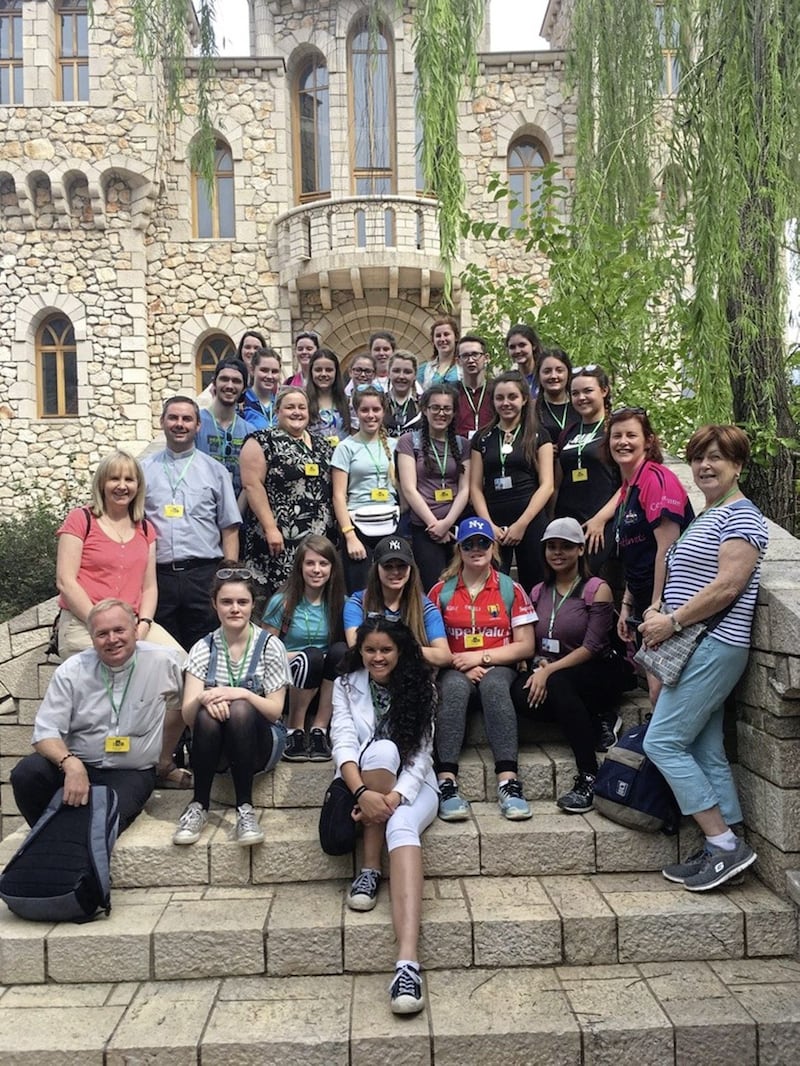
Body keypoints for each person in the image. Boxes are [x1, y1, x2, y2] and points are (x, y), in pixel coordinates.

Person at [639, 425, 768, 891]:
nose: (705, 466)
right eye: (698, 458)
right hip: (695, 645)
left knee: (663, 742)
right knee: (704, 747)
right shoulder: (710, 514)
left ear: (738, 465)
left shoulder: (743, 516)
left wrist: (671, 623)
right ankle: (725, 843)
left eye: (716, 458)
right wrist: (658, 609)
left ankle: (725, 844)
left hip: (714, 645)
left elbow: (728, 586)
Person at [330, 617, 438, 1014]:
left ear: (400, 651)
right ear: (360, 650)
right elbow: (341, 739)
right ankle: (371, 867)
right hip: (363, 777)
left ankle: (407, 963)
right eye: (370, 650)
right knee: (379, 751)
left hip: (412, 785)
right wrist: (362, 792)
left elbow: (423, 755)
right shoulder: (345, 685)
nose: (377, 657)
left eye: (386, 650)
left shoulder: (421, 685)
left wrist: (393, 799)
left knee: (404, 821)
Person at [11, 599, 184, 833]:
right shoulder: (72, 670)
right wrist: (71, 765)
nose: (112, 639)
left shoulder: (166, 661)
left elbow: (185, 703)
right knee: (26, 774)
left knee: (101, 819)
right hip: (80, 762)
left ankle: (69, 850)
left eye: (119, 630)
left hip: (130, 772)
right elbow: (45, 733)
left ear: (135, 629)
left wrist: (165, 756)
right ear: (92, 639)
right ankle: (44, 839)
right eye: (102, 634)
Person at [511, 518, 627, 813]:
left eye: (566, 546)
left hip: (599, 670)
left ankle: (589, 775)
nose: (558, 553)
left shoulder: (596, 589)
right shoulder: (537, 592)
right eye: (552, 547)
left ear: (579, 550)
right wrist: (534, 666)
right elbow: (534, 641)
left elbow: (593, 647)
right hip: (556, 673)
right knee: (519, 694)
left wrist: (549, 670)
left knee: (559, 683)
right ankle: (595, 720)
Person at [173, 564, 290, 847]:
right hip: (214, 746)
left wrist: (240, 694)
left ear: (252, 605)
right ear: (215, 605)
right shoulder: (203, 647)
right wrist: (204, 698)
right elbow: (188, 716)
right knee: (206, 714)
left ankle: (245, 808)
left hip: (260, 743)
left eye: (242, 602)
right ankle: (199, 805)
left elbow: (275, 710)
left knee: (239, 709)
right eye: (227, 602)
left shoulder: (269, 646)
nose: (234, 609)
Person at [428, 518, 536, 821]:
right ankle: (446, 781)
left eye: (483, 542)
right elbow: (429, 641)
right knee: (452, 689)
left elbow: (526, 645)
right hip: (455, 667)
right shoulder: (440, 591)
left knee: (494, 686)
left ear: (494, 546)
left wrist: (482, 659)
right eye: (469, 544)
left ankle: (508, 781)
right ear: (459, 549)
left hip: (497, 664)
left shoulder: (509, 588)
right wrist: (459, 664)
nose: (476, 549)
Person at [600, 407, 694, 699]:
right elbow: (637, 551)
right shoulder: (630, 486)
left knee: (660, 691)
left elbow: (667, 549)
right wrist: (628, 604)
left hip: (670, 602)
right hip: (644, 600)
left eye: (631, 435)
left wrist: (655, 606)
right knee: (656, 688)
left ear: (648, 441)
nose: (623, 442)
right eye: (617, 436)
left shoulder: (656, 480)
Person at [55, 449, 180, 658]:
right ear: (102, 483)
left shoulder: (146, 529)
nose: (122, 486)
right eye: (114, 479)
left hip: (131, 627)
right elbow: (65, 581)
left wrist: (144, 626)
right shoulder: (81, 520)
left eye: (129, 480)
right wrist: (101, 623)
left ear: (138, 486)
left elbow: (149, 587)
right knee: (114, 674)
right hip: (84, 624)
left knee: (179, 663)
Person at [141, 396, 241, 653]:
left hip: (203, 574)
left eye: (187, 419)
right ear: (162, 422)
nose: (180, 424)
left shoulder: (215, 471)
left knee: (207, 651)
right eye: (173, 417)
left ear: (198, 426)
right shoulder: (142, 471)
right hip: (158, 577)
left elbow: (229, 528)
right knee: (162, 653)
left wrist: (227, 578)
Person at [240, 387, 335, 600]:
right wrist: (270, 528)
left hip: (318, 539)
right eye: (289, 407)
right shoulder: (262, 440)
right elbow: (252, 485)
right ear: (277, 411)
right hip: (279, 538)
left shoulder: (322, 444)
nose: (296, 412)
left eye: (301, 407)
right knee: (278, 601)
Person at [262, 535, 348, 762]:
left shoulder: (342, 603)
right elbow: (265, 650)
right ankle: (295, 730)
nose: (316, 570)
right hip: (290, 674)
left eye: (323, 563)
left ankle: (320, 730)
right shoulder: (282, 602)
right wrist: (307, 657)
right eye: (310, 563)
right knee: (312, 656)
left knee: (340, 651)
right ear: (300, 566)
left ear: (332, 568)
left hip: (327, 678)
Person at [469, 370, 554, 591]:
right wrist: (488, 525)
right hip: (495, 521)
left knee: (535, 584)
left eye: (512, 397)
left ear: (524, 399)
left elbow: (547, 485)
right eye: (500, 398)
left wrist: (521, 524)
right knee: (494, 586)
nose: (506, 403)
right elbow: (475, 487)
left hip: (530, 520)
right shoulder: (483, 437)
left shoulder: (538, 434)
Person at [396, 385, 471, 590]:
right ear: (425, 410)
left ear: (454, 412)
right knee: (435, 588)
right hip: (425, 528)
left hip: (456, 527)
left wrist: (447, 523)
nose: (441, 413)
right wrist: (435, 525)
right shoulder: (409, 441)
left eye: (447, 408)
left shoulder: (462, 444)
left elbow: (465, 489)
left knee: (461, 587)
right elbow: (409, 488)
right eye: (435, 407)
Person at [343, 536, 451, 668]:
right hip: (371, 672)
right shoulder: (357, 603)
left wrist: (397, 648)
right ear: (376, 568)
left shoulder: (425, 607)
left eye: (402, 566)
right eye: (388, 566)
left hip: (410, 674)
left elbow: (444, 656)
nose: (395, 572)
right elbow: (355, 646)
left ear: (411, 569)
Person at [331, 384, 399, 592]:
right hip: (357, 526)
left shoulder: (396, 445)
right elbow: (338, 496)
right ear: (356, 412)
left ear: (384, 411)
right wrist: (349, 536)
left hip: (390, 523)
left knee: (391, 587)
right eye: (365, 410)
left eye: (376, 410)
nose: (371, 415)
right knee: (360, 589)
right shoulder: (345, 447)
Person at [555, 365, 619, 574]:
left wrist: (601, 519)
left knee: (596, 585)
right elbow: (558, 482)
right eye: (575, 393)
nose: (581, 397)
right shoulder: (569, 432)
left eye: (587, 391)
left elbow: (630, 482)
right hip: (568, 523)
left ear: (604, 391)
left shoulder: (615, 429)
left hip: (601, 523)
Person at [196, 358, 254, 504]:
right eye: (224, 379)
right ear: (214, 383)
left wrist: (235, 520)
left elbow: (251, 483)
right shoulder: (196, 423)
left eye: (236, 381)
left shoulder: (250, 432)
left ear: (244, 388)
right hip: (200, 513)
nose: (229, 385)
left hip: (239, 514)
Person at [306, 348, 351, 446]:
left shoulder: (348, 402)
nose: (323, 374)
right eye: (318, 370)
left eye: (329, 370)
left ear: (336, 372)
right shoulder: (303, 401)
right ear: (311, 372)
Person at [535, 347, 578, 446]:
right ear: (538, 375)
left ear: (568, 373)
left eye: (559, 370)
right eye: (547, 371)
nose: (553, 376)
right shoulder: (531, 410)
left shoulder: (580, 404)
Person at [454, 334, 494, 440]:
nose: (471, 360)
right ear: (458, 361)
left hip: (491, 449)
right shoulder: (451, 392)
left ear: (486, 358)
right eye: (465, 355)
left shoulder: (497, 391)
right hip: (459, 451)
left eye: (475, 354)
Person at [240, 346, 282, 431]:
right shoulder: (242, 402)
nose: (270, 376)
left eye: (274, 371)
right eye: (264, 370)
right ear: (252, 370)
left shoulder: (281, 403)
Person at [383, 351, 422, 437]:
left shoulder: (423, 403)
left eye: (407, 372)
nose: (401, 376)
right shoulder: (379, 401)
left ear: (415, 375)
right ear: (388, 373)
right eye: (396, 371)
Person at [417, 315, 461, 389]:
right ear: (433, 341)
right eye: (438, 336)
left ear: (456, 337)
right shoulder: (424, 370)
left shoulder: (463, 366)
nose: (442, 339)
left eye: (446, 334)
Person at [506, 323, 542, 394]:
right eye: (512, 347)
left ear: (533, 345)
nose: (517, 351)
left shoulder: (545, 375)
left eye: (522, 345)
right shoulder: (510, 381)